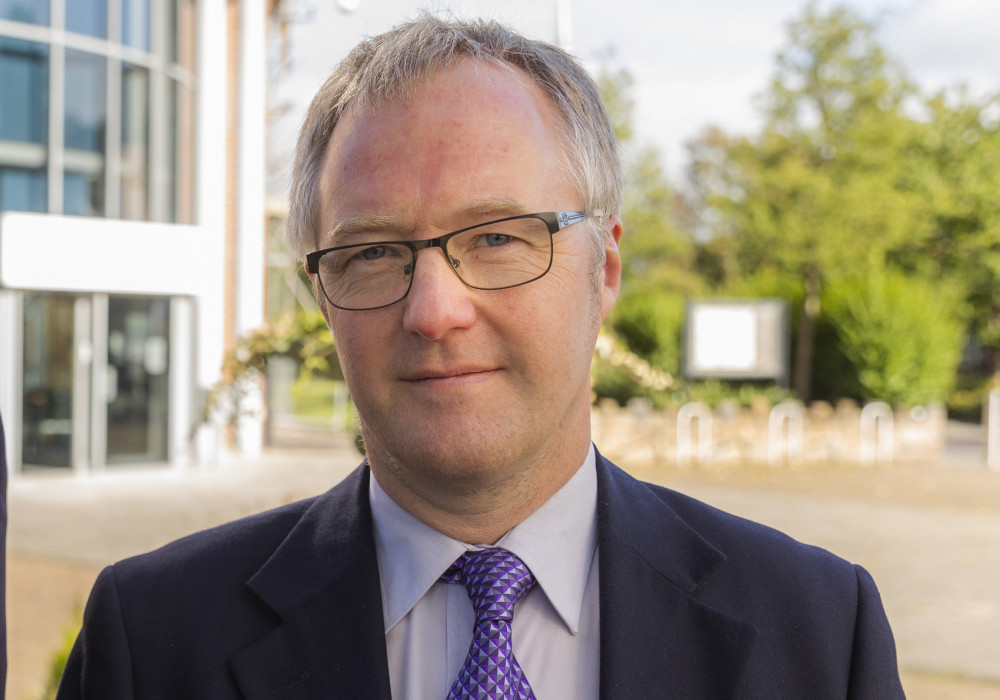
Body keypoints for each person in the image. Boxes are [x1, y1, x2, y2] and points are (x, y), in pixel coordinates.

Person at [58, 15, 904, 699]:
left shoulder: (821, 634)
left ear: (603, 271)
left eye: (498, 236)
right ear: (321, 294)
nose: (434, 312)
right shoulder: (154, 640)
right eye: (373, 252)